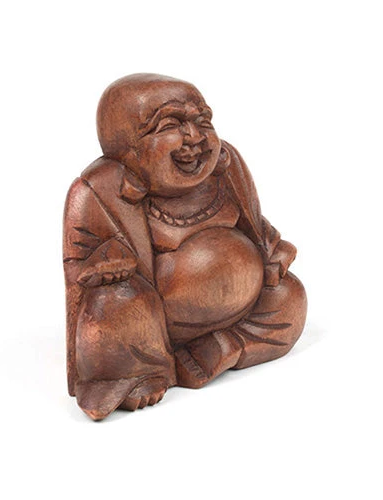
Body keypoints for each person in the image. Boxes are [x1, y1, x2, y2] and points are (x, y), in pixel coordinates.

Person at [63, 74, 307, 420]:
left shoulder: (226, 167)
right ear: (125, 149)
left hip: (242, 308)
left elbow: (254, 224)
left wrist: (272, 249)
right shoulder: (100, 190)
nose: (194, 137)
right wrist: (105, 262)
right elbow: (79, 265)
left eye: (202, 121)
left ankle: (225, 345)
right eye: (169, 126)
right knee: (111, 306)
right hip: (157, 323)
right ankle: (141, 370)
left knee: (290, 296)